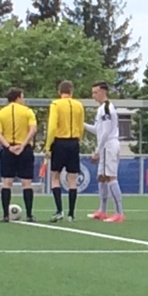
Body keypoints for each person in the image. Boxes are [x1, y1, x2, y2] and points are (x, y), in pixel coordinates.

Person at [44, 80, 85, 222]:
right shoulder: (79, 105)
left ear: (59, 92)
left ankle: (59, 210)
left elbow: (52, 127)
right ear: (71, 91)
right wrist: (79, 139)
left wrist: (48, 146)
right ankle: (71, 214)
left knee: (55, 176)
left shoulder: (56, 104)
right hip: (74, 142)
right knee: (72, 178)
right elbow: (81, 126)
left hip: (60, 142)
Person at [85, 81, 125, 222]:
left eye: (96, 92)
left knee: (111, 177)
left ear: (103, 92)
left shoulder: (107, 108)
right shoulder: (101, 109)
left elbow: (106, 132)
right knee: (102, 177)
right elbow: (98, 129)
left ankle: (119, 213)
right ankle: (102, 210)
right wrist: (82, 125)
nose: (93, 95)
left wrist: (97, 150)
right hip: (105, 146)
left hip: (109, 145)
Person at [0, 88, 38, 222]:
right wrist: (22, 145)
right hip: (24, 149)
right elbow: (33, 129)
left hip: (8, 149)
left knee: (7, 182)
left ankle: (5, 215)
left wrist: (8, 146)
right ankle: (29, 214)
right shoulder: (27, 111)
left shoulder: (2, 113)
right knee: (26, 182)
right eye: (22, 97)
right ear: (18, 98)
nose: (23, 99)